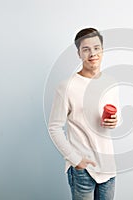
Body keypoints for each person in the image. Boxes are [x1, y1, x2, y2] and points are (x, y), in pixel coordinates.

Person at [48, 28, 120, 200]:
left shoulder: (111, 83)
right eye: (86, 49)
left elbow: (117, 117)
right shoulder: (67, 87)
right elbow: (54, 127)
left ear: (102, 50)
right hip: (83, 169)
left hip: (109, 168)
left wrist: (117, 120)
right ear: (79, 53)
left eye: (96, 48)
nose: (92, 53)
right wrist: (75, 160)